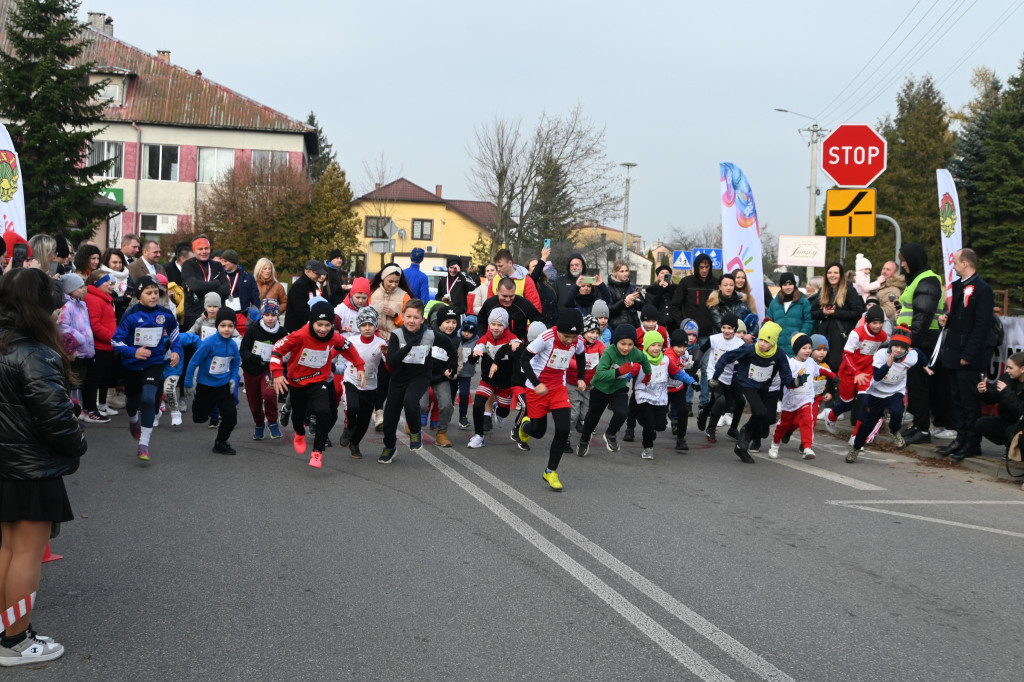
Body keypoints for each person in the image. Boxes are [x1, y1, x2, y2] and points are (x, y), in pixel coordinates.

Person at [0, 267, 86, 666]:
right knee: (27, 554)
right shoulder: (34, 352)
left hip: (4, 464)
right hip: (30, 468)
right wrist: (77, 443)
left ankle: (6, 630)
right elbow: (56, 420)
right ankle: (16, 640)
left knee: (6, 548)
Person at [271, 301, 365, 468]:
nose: (323, 329)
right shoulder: (299, 335)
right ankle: (299, 434)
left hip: (318, 380)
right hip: (297, 382)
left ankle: (317, 452)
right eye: (319, 324)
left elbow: (348, 347)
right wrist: (277, 373)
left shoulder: (334, 336)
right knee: (298, 417)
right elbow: (277, 350)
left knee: (324, 411)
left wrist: (359, 365)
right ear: (312, 322)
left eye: (327, 325)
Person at [512, 310, 587, 491]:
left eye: (573, 336)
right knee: (538, 432)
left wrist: (581, 377)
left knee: (563, 428)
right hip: (537, 388)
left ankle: (550, 471)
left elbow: (581, 356)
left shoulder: (578, 341)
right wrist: (536, 383)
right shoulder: (546, 338)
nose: (570, 340)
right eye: (566, 336)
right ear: (558, 330)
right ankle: (524, 427)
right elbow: (524, 360)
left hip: (558, 389)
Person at [111, 275, 182, 461]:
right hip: (132, 365)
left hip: (154, 362)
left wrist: (176, 351)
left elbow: (175, 333)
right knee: (133, 402)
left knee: (150, 400)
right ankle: (133, 420)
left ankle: (144, 444)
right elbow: (115, 341)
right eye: (148, 293)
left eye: (156, 293)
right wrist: (133, 352)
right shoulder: (131, 315)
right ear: (138, 295)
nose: (153, 296)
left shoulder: (165, 314)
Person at [711, 322, 804, 463]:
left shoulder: (779, 354)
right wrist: (716, 376)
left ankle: (743, 445)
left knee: (765, 416)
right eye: (760, 339)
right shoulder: (749, 349)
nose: (762, 344)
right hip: (747, 384)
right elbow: (726, 358)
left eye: (767, 341)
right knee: (760, 412)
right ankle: (744, 436)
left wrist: (796, 382)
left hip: (763, 386)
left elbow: (786, 376)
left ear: (773, 343)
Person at [937, 248, 995, 462]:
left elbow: (981, 325)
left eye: (956, 262)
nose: (954, 265)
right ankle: (960, 438)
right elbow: (962, 318)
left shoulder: (982, 289)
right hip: (954, 352)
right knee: (957, 400)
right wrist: (948, 320)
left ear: (966, 264)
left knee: (970, 402)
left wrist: (969, 353)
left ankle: (972, 443)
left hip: (968, 356)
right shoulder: (960, 286)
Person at [894, 244, 946, 446]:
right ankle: (918, 425)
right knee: (914, 386)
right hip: (916, 339)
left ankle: (923, 429)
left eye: (905, 260)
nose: (903, 264)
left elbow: (923, 317)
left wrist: (909, 342)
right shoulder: (919, 279)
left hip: (921, 341)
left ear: (914, 259)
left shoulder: (927, 280)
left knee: (920, 386)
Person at [577, 324, 653, 456]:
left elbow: (644, 360)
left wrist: (648, 374)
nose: (626, 348)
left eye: (630, 344)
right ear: (616, 341)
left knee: (623, 412)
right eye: (623, 344)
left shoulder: (634, 352)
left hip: (619, 388)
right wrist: (618, 372)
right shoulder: (609, 352)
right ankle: (584, 440)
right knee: (592, 418)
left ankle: (610, 433)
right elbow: (600, 374)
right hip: (600, 388)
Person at [846, 327, 919, 463]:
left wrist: (926, 365)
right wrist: (887, 365)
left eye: (902, 348)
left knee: (897, 412)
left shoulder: (910, 358)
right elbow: (878, 377)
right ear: (891, 345)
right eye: (895, 346)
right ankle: (855, 448)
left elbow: (918, 352)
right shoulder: (881, 354)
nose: (898, 350)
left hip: (895, 392)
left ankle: (895, 431)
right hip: (876, 393)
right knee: (867, 424)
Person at [377, 300, 433, 464]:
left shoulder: (430, 335)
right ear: (403, 316)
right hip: (398, 378)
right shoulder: (397, 335)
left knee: (410, 402)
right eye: (408, 316)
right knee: (389, 418)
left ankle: (415, 432)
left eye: (416, 317)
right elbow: (391, 363)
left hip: (419, 377)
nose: (411, 320)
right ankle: (389, 447)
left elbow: (449, 346)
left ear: (422, 319)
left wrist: (451, 364)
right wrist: (407, 347)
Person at [183, 308, 241, 455]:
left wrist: (234, 378)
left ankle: (220, 443)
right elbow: (193, 362)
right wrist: (188, 383)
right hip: (205, 386)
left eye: (230, 326)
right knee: (200, 418)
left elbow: (235, 364)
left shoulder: (233, 345)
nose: (227, 329)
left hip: (223, 386)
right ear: (217, 326)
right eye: (223, 325)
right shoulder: (208, 343)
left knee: (231, 417)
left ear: (234, 326)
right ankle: (204, 408)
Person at [823, 305, 888, 434]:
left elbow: (885, 351)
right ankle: (831, 416)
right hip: (849, 372)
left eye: (880, 323)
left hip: (866, 373)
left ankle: (857, 437)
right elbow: (846, 355)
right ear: (868, 321)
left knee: (866, 404)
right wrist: (856, 372)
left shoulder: (883, 336)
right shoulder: (856, 334)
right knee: (847, 404)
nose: (877, 326)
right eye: (874, 323)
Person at [769, 334, 834, 460]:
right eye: (804, 348)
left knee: (808, 421)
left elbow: (821, 370)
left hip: (806, 399)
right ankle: (775, 445)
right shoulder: (790, 364)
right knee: (783, 425)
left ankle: (807, 447)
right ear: (797, 349)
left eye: (810, 348)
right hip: (790, 401)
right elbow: (787, 383)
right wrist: (797, 382)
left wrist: (834, 377)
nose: (808, 350)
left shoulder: (811, 362)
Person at [632, 330, 694, 460]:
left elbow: (677, 372)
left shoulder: (665, 360)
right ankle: (647, 448)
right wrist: (619, 382)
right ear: (646, 346)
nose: (656, 348)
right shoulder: (640, 361)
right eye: (653, 345)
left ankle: (646, 423)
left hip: (660, 396)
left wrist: (692, 382)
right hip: (644, 395)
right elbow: (629, 374)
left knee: (660, 425)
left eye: (659, 345)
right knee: (649, 423)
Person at [668, 253, 719, 411]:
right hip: (689, 336)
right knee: (688, 368)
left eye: (707, 267)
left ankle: (704, 402)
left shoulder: (716, 284)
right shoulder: (686, 282)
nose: (704, 270)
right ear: (696, 268)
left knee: (705, 368)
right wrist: (683, 324)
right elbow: (674, 305)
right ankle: (687, 401)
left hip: (708, 334)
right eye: (701, 267)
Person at [467, 308, 522, 448]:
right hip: (488, 380)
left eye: (500, 325)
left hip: (505, 383)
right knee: (478, 404)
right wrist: (475, 354)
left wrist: (517, 345)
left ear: (506, 326)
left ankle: (497, 410)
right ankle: (479, 436)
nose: (496, 328)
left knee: (504, 412)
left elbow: (519, 345)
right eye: (493, 324)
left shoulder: (511, 338)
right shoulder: (484, 339)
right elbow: (471, 359)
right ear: (489, 324)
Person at [337, 307, 387, 459]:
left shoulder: (380, 343)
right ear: (359, 325)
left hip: (370, 385)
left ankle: (355, 443)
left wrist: (386, 353)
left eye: (370, 325)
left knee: (365, 421)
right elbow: (335, 351)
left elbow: (390, 365)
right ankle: (349, 427)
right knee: (352, 408)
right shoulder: (351, 341)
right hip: (351, 380)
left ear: (375, 326)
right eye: (364, 325)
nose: (367, 328)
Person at [239, 299, 287, 441]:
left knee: (269, 394)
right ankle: (259, 424)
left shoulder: (282, 332)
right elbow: (243, 349)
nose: (270, 318)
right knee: (254, 401)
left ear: (278, 315)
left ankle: (272, 422)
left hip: (269, 370)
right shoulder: (254, 329)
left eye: (273, 315)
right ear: (262, 315)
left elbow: (287, 351)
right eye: (266, 315)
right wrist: (251, 357)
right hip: (251, 370)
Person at [811, 262, 865, 380]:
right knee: (823, 366)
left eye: (835, 272)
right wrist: (824, 313)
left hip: (841, 336)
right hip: (824, 335)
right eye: (829, 272)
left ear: (841, 275)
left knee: (838, 367)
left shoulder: (849, 290)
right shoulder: (823, 290)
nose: (832, 275)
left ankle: (837, 395)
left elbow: (857, 312)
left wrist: (836, 313)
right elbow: (813, 313)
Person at [700, 313, 746, 443]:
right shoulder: (714, 338)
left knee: (740, 402)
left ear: (735, 329)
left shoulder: (739, 343)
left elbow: (742, 362)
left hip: (730, 375)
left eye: (730, 328)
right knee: (720, 401)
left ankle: (732, 429)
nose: (726, 331)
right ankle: (711, 428)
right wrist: (696, 363)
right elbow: (702, 350)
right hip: (714, 374)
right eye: (724, 327)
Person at [82, 271, 118, 421]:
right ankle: (90, 409)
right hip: (98, 346)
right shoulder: (93, 299)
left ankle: (101, 405)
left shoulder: (105, 298)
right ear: (97, 283)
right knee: (93, 379)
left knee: (105, 377)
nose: (110, 284)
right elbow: (95, 325)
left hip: (107, 346)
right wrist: (113, 338)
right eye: (106, 281)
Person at [567, 315, 604, 440]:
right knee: (574, 413)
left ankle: (579, 422)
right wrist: (579, 364)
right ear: (584, 331)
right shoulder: (577, 343)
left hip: (589, 386)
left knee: (585, 414)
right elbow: (568, 359)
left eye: (597, 333)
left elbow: (605, 357)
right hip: (573, 384)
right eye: (591, 332)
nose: (594, 336)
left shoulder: (599, 345)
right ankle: (566, 437)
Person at [180, 235, 229, 331]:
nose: (204, 252)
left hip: (216, 315)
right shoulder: (188, 265)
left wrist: (202, 289)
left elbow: (226, 289)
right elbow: (195, 286)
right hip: (194, 314)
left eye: (206, 248)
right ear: (194, 250)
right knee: (192, 344)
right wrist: (216, 283)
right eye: (200, 249)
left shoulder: (217, 265)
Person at [976, 352, 1024, 449]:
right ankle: (1010, 446)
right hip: (1007, 420)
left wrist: (1007, 393)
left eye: (1011, 368)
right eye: (1007, 367)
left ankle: (1017, 449)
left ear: (1022, 369)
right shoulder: (1007, 377)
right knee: (981, 424)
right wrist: (984, 392)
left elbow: (1021, 411)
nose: (1007, 370)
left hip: (1021, 423)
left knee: (1010, 431)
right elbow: (992, 398)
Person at [477, 277, 543, 341]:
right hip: (494, 345)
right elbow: (481, 322)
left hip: (517, 346)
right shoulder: (489, 303)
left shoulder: (524, 304)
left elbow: (539, 321)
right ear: (497, 291)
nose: (508, 299)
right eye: (504, 296)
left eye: (511, 296)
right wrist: (483, 339)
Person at [766, 272, 813, 356]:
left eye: (790, 284)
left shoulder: (803, 302)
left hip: (797, 348)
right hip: (777, 348)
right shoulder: (774, 303)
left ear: (794, 285)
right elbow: (768, 321)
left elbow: (808, 321)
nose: (788, 287)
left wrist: (801, 337)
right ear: (781, 286)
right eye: (785, 284)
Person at [284, 259, 327, 334]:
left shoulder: (313, 285)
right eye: (317, 273)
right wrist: (318, 320)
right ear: (308, 271)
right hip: (296, 331)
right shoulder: (298, 286)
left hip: (308, 329)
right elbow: (302, 312)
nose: (320, 276)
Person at [455, 320, 479, 429]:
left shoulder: (477, 341)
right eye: (465, 331)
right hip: (454, 372)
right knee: (450, 395)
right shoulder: (456, 338)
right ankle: (447, 412)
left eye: (470, 332)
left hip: (466, 373)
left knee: (464, 395)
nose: (467, 333)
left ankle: (463, 416)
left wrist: (476, 354)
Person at [605, 260, 641, 329]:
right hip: (616, 328)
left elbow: (643, 306)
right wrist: (624, 301)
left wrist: (634, 303)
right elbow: (608, 310)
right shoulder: (608, 289)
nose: (625, 274)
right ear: (615, 272)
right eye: (622, 271)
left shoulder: (632, 287)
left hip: (634, 327)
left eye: (626, 271)